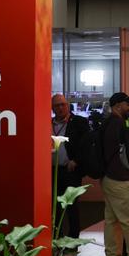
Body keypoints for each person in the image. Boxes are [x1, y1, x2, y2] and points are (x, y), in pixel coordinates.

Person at [101, 92, 129, 256]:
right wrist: (127, 174)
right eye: (126, 104)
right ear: (117, 105)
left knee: (112, 221)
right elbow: (120, 153)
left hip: (108, 179)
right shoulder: (118, 124)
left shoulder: (107, 122)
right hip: (120, 180)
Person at [51, 93, 91, 239]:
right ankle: (57, 237)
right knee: (55, 206)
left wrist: (76, 160)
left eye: (63, 104)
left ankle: (73, 239)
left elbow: (86, 145)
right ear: (52, 108)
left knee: (71, 206)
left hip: (70, 171)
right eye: (57, 105)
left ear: (68, 105)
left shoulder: (79, 122)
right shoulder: (48, 124)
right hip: (52, 171)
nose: (60, 108)